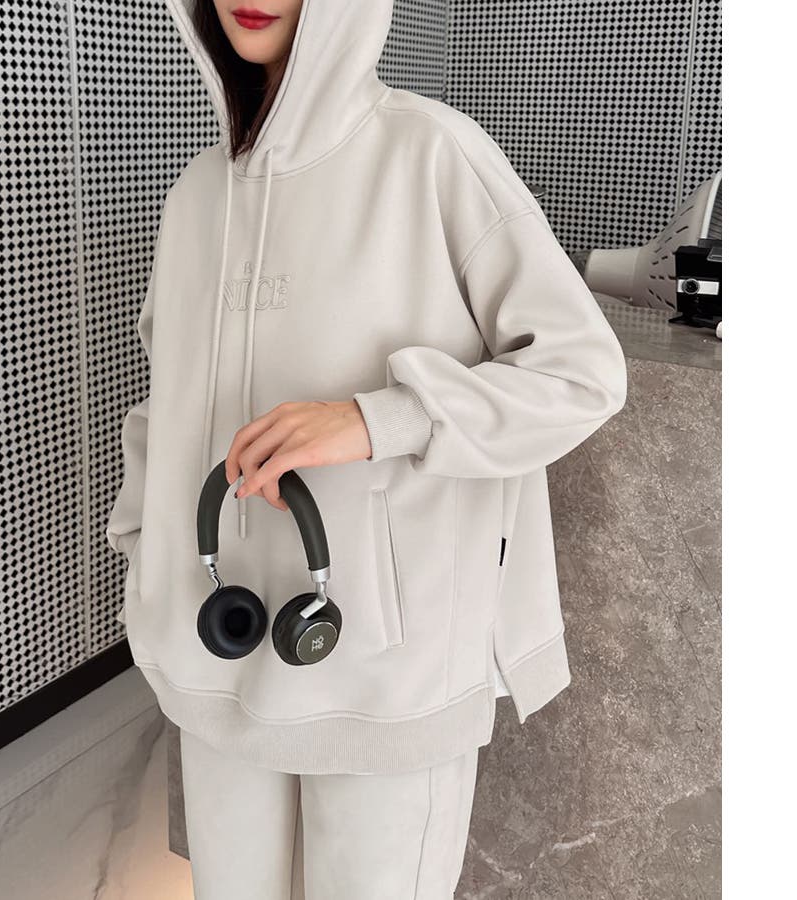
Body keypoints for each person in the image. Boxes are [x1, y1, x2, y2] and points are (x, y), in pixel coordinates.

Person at [106, 1, 628, 897]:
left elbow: (582, 374)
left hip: (386, 670)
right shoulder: (195, 195)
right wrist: (147, 558)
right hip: (215, 647)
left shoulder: (430, 153)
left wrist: (378, 418)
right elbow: (167, 406)